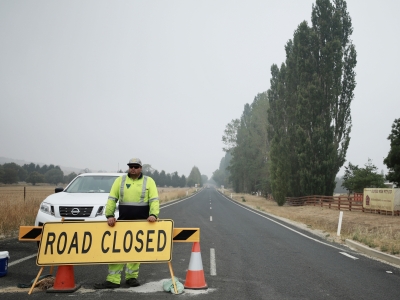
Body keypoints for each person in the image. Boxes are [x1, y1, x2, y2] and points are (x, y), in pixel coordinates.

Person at [94, 158, 159, 289]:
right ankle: (113, 279)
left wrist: (153, 214)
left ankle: (131, 278)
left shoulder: (149, 181)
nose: (133, 169)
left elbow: (154, 200)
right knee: (116, 250)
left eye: (136, 166)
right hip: (123, 222)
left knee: (135, 251)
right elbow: (112, 199)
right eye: (131, 166)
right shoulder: (120, 181)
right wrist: (110, 215)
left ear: (141, 168)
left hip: (141, 223)